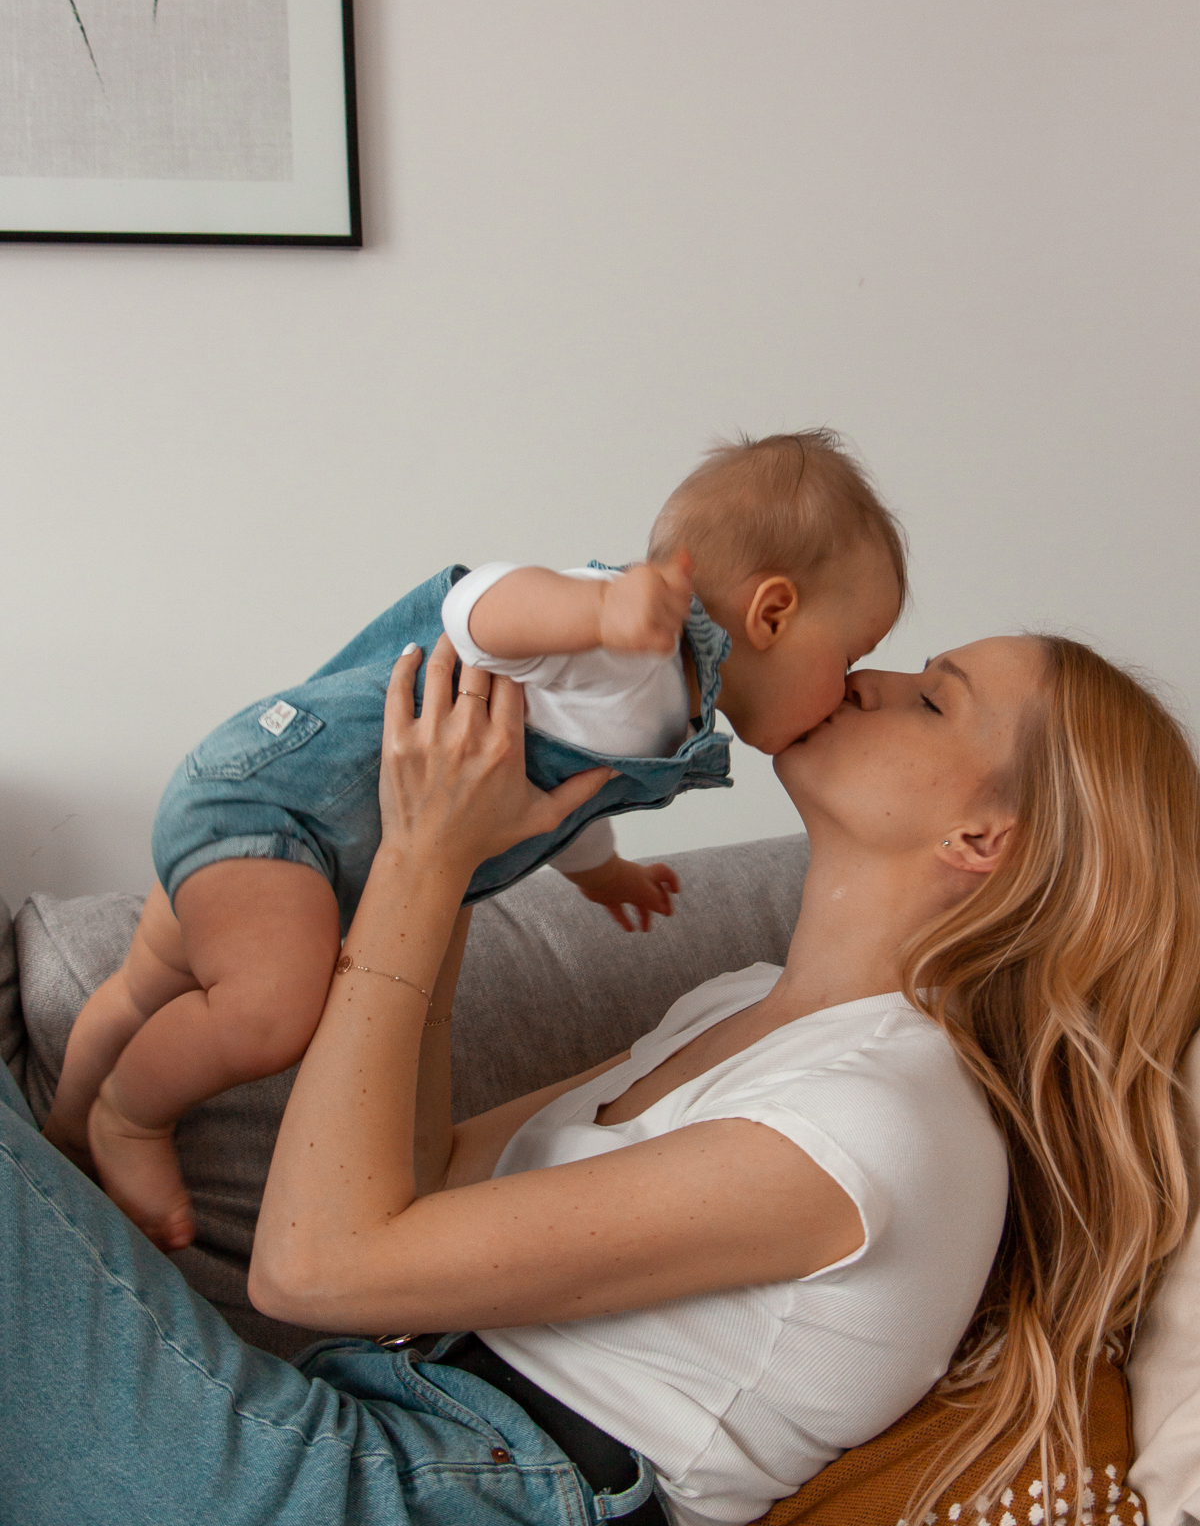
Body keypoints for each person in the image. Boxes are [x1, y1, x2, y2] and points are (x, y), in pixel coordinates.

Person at [5, 626, 1198, 1526]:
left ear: (984, 842)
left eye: (933, 699)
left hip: (444, 1492)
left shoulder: (886, 1122)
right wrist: (473, 853)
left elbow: (316, 1262)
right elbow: (413, 1178)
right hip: (378, 1437)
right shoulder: (744, 1005)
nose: (865, 676)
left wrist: (422, 860)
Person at [43, 430, 906, 1250]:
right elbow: (472, 606)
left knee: (145, 983)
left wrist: (599, 871)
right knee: (270, 1015)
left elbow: (555, 783)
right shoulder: (624, 645)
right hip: (278, 811)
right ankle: (131, 1114)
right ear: (774, 612)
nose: (855, 684)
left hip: (262, 817)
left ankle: (62, 1129)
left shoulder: (659, 708)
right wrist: (599, 606)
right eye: (854, 652)